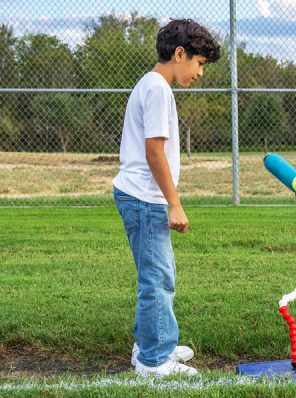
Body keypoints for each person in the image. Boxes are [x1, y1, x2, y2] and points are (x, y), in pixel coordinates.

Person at [112, 19, 220, 377]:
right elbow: (154, 152)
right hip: (145, 198)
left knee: (158, 273)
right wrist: (174, 203)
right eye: (200, 63)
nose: (201, 72)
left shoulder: (151, 84)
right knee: (157, 278)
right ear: (179, 53)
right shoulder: (158, 89)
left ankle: (151, 342)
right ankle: (154, 361)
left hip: (141, 196)